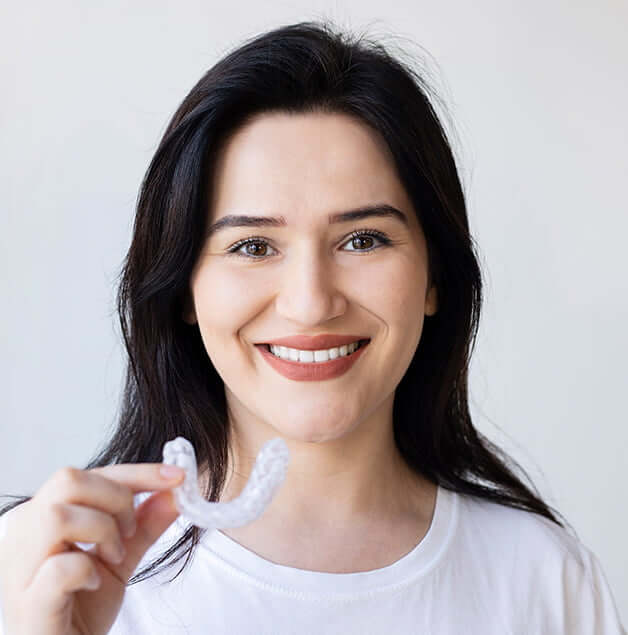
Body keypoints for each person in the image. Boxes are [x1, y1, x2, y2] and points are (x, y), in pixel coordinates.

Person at [0, 20, 625, 635]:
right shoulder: (44, 574)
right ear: (184, 288)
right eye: (251, 246)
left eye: (362, 239)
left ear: (435, 277)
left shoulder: (545, 582)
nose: (309, 303)